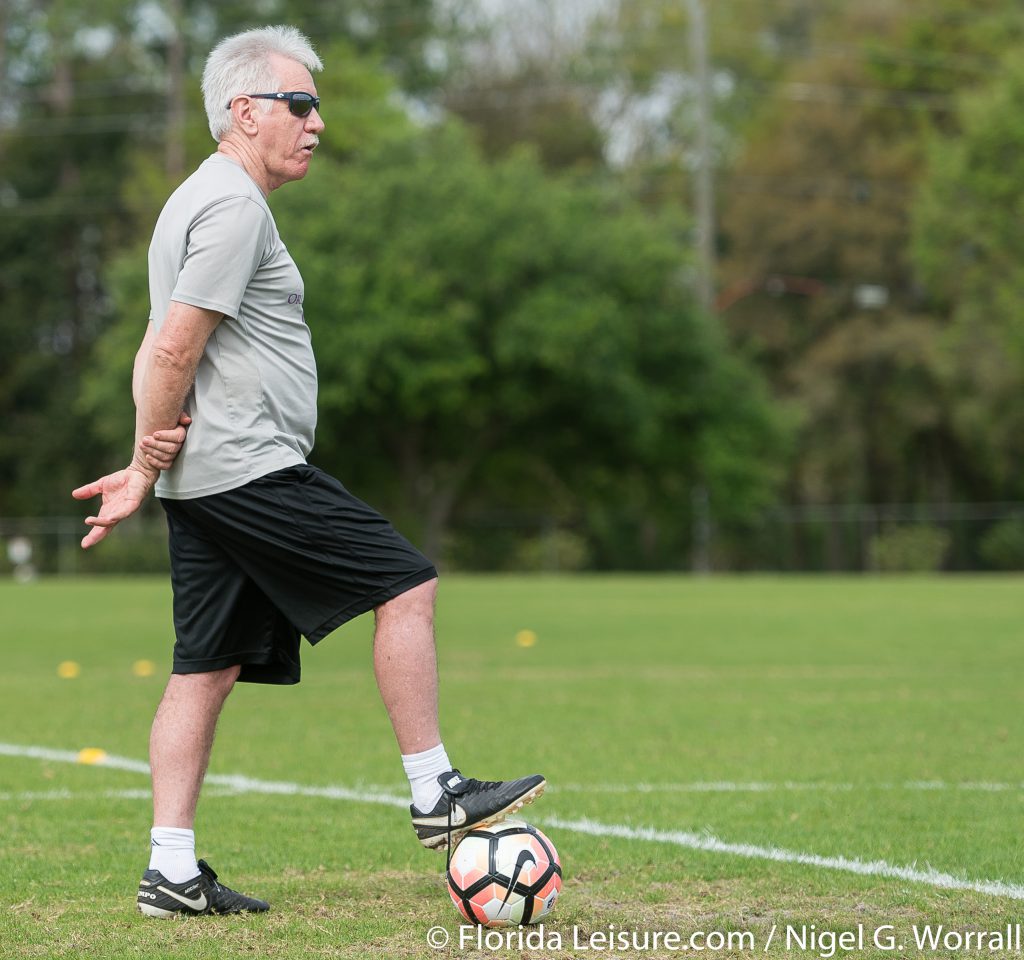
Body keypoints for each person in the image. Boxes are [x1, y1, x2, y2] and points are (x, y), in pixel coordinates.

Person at [72, 25, 545, 919]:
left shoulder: (194, 201)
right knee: (407, 584)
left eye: (316, 105)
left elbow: (156, 348)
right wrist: (141, 459)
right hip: (247, 469)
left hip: (207, 479)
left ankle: (170, 872)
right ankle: (435, 791)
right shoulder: (234, 207)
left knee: (202, 669)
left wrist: (146, 469)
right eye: (300, 104)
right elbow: (173, 345)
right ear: (243, 112)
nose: (317, 122)